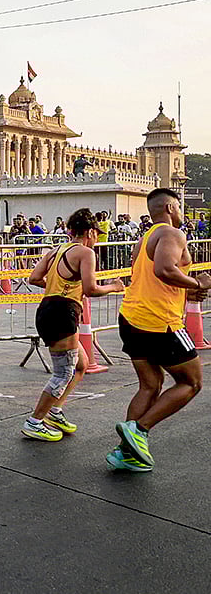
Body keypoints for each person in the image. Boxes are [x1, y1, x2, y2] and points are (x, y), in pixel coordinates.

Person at [107, 188, 211, 471]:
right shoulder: (172, 234)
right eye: (178, 207)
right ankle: (139, 430)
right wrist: (198, 284)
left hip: (132, 318)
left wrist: (186, 292)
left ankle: (125, 453)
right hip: (160, 324)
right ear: (168, 208)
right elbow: (164, 270)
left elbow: (154, 280)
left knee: (150, 385)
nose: (180, 212)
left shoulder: (144, 240)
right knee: (192, 383)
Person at [22, 209, 125, 441]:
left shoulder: (55, 251)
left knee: (81, 365)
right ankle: (34, 421)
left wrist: (60, 289)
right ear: (89, 232)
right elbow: (91, 288)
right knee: (64, 372)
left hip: (48, 309)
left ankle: (55, 410)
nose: (97, 238)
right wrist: (114, 287)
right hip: (62, 312)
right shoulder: (86, 253)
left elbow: (34, 278)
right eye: (96, 234)